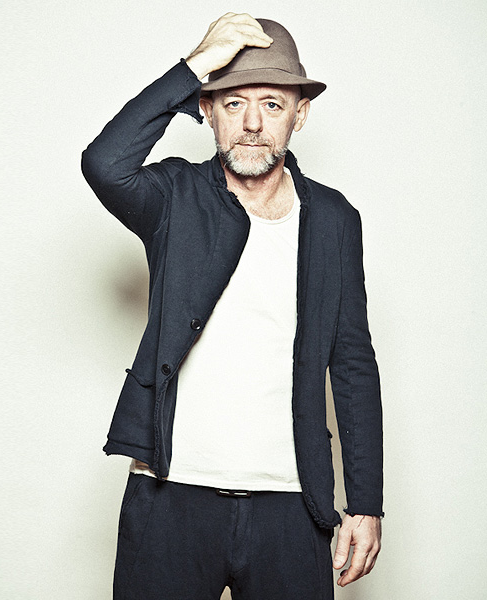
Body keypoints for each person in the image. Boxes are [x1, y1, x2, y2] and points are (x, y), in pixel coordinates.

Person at [82, 13, 383, 600]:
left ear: (300, 114)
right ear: (208, 110)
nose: (251, 124)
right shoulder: (174, 197)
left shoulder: (334, 220)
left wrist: (366, 502)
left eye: (272, 104)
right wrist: (194, 65)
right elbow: (104, 163)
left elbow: (352, 363)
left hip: (293, 505)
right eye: (233, 103)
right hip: (171, 494)